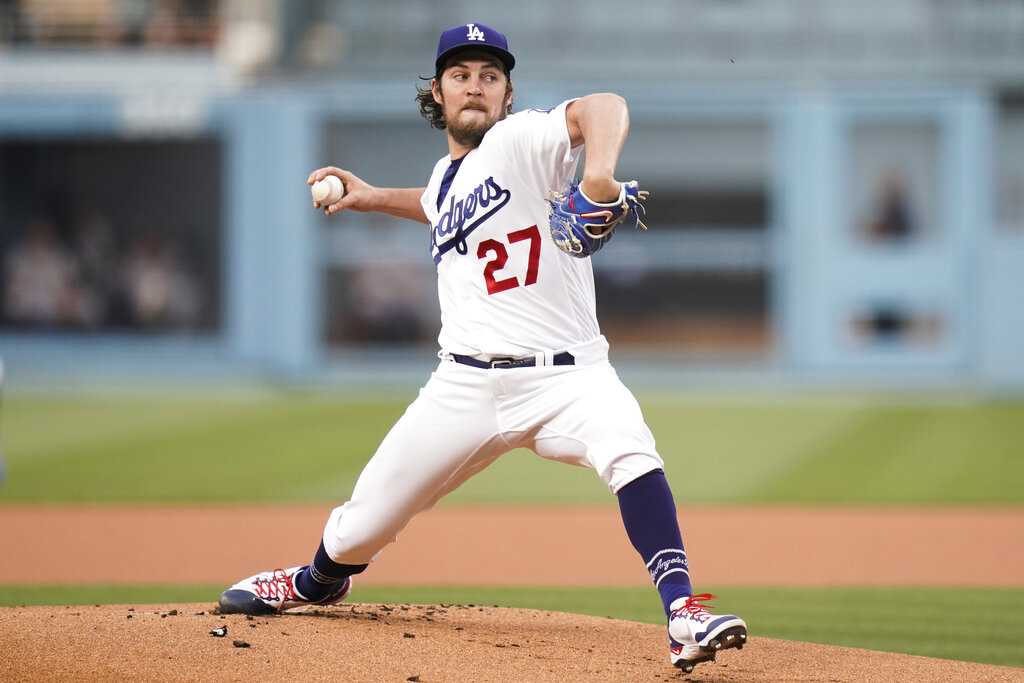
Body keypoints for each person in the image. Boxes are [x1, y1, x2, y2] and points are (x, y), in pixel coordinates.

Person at [218, 22, 747, 673]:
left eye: (489, 76)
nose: (476, 85)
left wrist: (600, 177)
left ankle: (683, 611)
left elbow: (603, 106)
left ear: (507, 94)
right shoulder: (447, 176)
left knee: (631, 449)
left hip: (569, 377)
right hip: (462, 388)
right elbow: (441, 203)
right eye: (462, 74)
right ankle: (317, 581)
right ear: (437, 93)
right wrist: (373, 197)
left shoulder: (524, 141)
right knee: (359, 525)